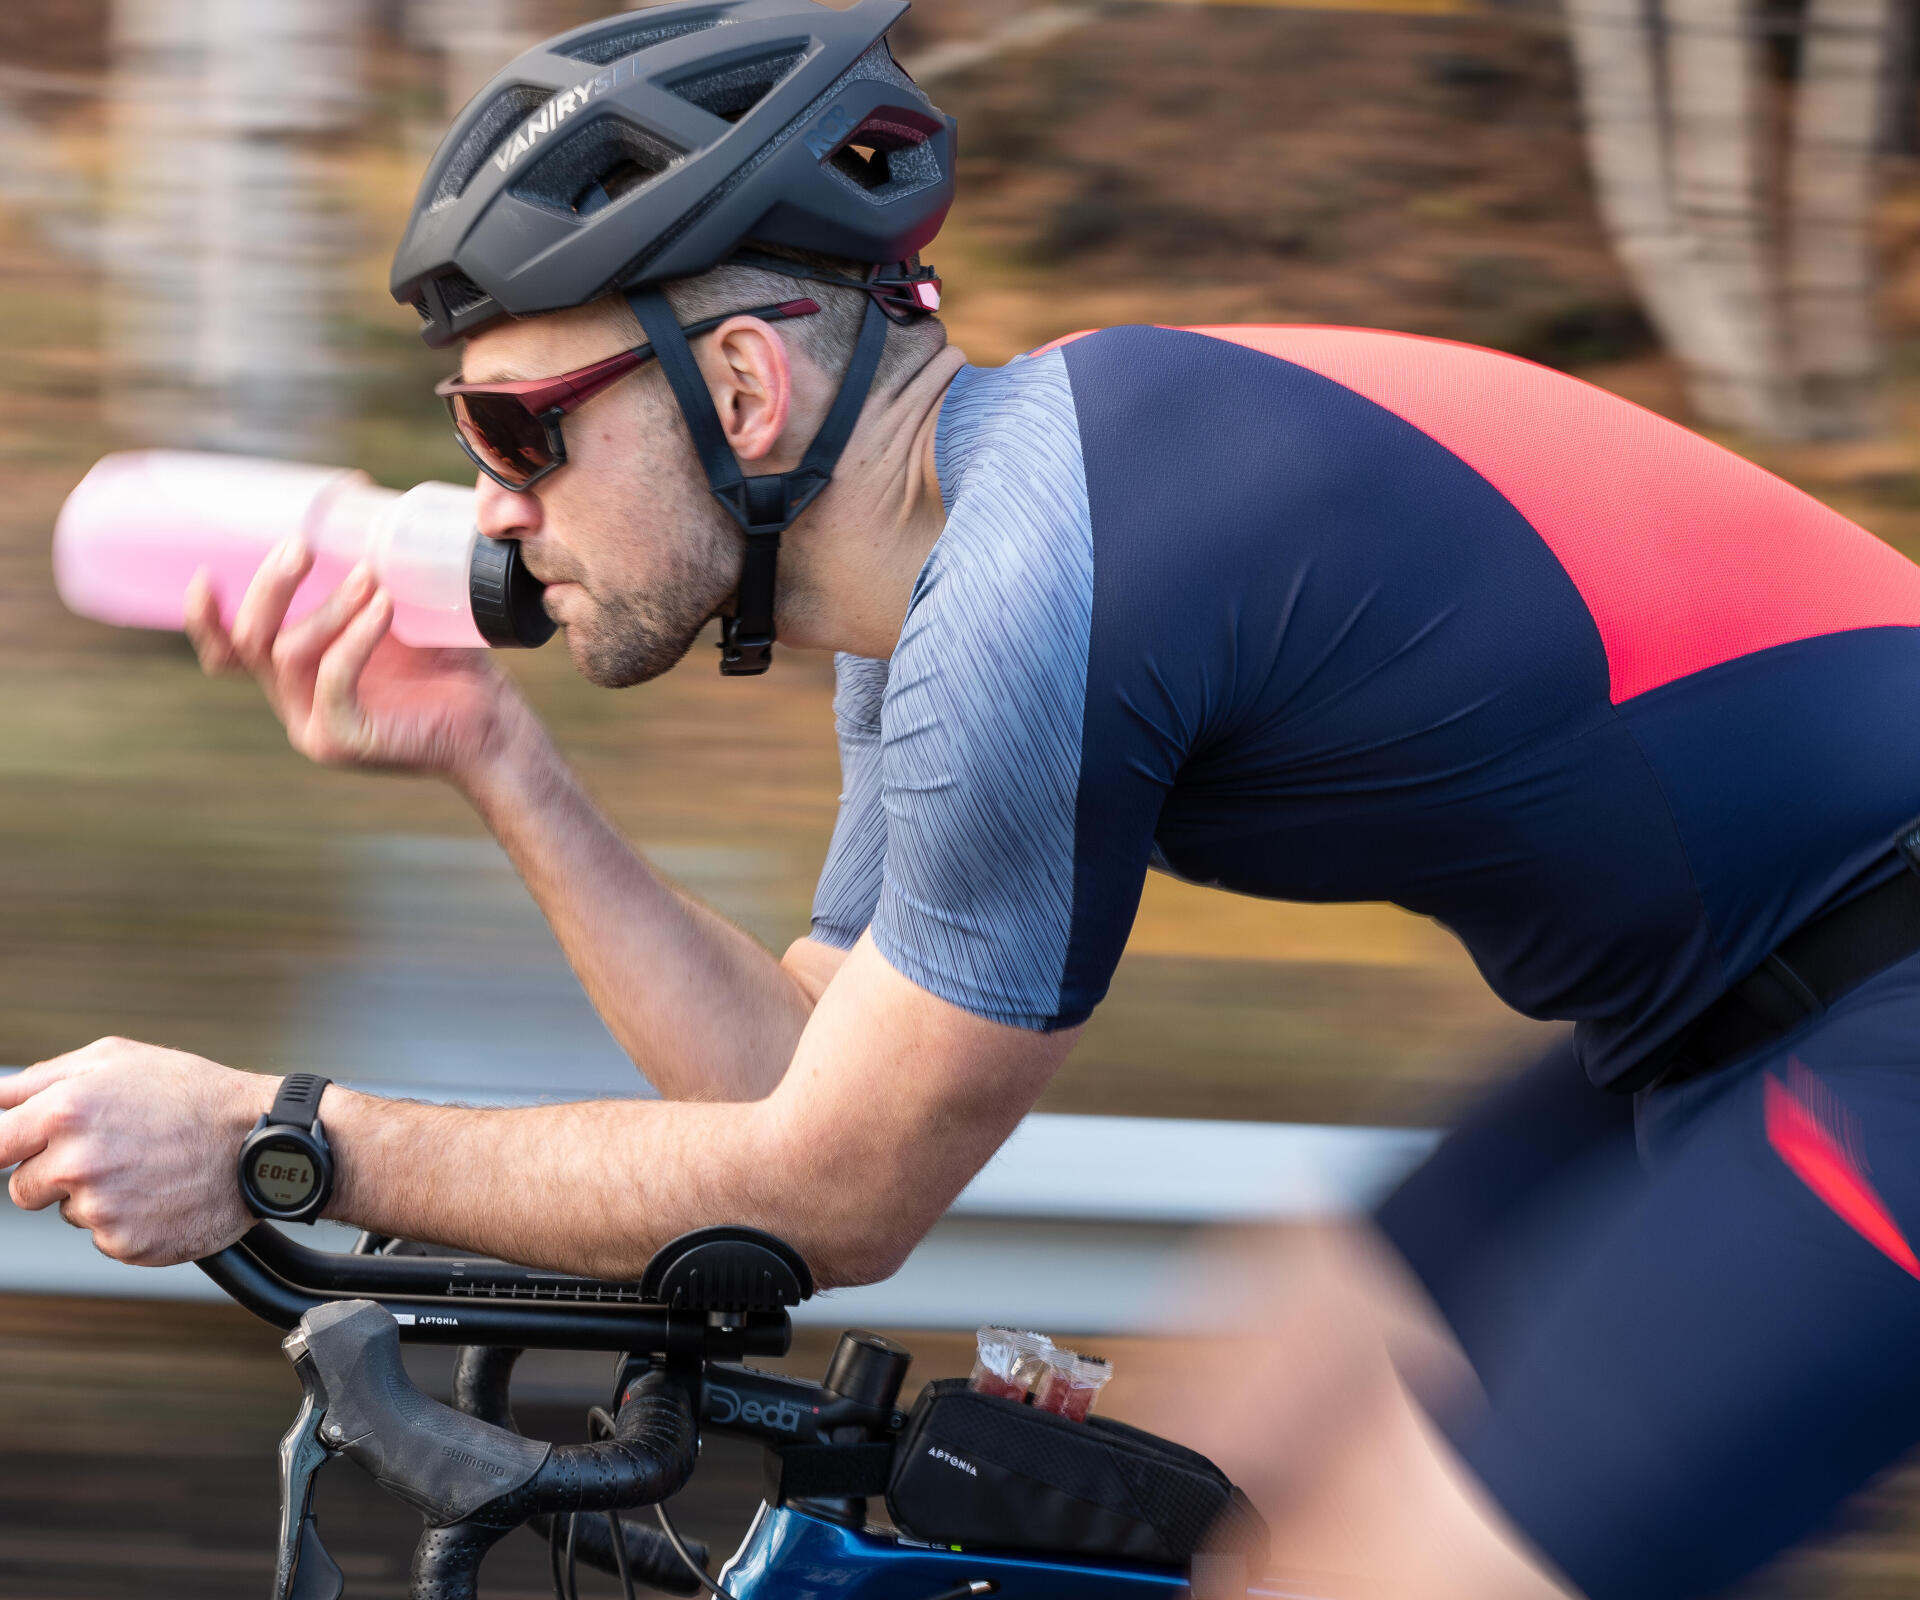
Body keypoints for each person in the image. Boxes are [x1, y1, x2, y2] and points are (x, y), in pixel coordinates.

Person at [7, 2, 1920, 1596]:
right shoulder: (941, 597)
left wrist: (282, 1139)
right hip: (1709, 1024)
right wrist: (503, 764)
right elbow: (792, 1075)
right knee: (1179, 1499)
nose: (494, 507)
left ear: (744, 389)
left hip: (1877, 1024)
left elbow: (839, 1194)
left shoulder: (1034, 589)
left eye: (523, 430)